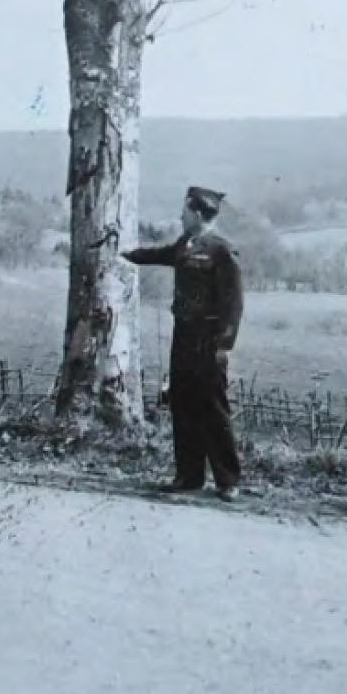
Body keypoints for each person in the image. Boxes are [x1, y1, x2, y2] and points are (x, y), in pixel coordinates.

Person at [122, 186, 245, 498]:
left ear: (199, 213)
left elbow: (233, 303)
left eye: (185, 210)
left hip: (209, 338)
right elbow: (161, 255)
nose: (181, 215)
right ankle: (188, 476)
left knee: (214, 407)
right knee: (183, 402)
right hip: (184, 335)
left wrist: (223, 346)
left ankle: (228, 480)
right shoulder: (185, 244)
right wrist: (128, 255)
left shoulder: (221, 250)